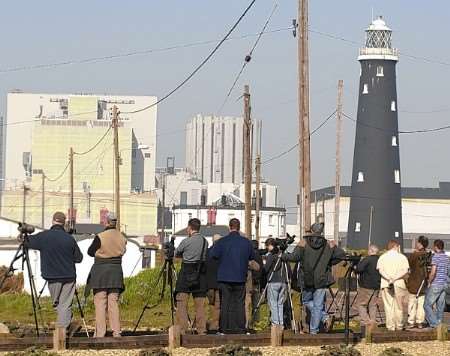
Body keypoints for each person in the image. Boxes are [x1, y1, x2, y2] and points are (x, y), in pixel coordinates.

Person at [26, 212, 83, 331]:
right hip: (69, 276)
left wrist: (22, 234)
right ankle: (67, 324)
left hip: (52, 277)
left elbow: (26, 241)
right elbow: (79, 258)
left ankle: (62, 332)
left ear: (52, 221)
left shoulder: (44, 236)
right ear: (64, 223)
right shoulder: (69, 239)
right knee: (65, 305)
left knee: (58, 304)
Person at [282, 227, 345, 335]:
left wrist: (282, 255)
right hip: (321, 279)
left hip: (307, 278)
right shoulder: (327, 244)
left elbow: (294, 257)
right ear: (321, 232)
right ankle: (314, 330)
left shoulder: (304, 243)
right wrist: (329, 262)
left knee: (306, 301)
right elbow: (341, 255)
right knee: (318, 305)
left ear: (311, 231)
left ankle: (324, 318)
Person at [211, 218, 260, 334]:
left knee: (225, 303)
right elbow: (252, 257)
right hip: (240, 277)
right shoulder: (246, 242)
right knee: (239, 303)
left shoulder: (222, 242)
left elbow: (213, 255)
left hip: (224, 277)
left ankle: (224, 328)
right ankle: (240, 328)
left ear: (229, 227)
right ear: (239, 227)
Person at [86, 212, 127, 337]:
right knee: (113, 303)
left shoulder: (100, 236)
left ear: (106, 221)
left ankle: (100, 333)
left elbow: (90, 252)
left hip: (100, 272)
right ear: (116, 222)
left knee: (100, 303)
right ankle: (116, 331)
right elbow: (123, 251)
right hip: (116, 272)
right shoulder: (122, 237)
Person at [174, 218, 208, 335]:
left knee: (182, 302)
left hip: (186, 273)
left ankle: (183, 329)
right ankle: (201, 329)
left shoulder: (186, 241)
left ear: (189, 228)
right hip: (200, 274)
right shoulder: (205, 241)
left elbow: (177, 252)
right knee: (200, 304)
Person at [376, 240, 409, 331]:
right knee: (399, 306)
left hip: (386, 283)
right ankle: (399, 325)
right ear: (396, 246)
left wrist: (389, 278)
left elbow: (380, 270)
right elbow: (405, 270)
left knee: (388, 305)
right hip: (399, 283)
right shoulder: (402, 257)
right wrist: (395, 278)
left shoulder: (382, 257)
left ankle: (390, 326)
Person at [264, 238, 290, 328]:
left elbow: (266, 268)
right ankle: (281, 323)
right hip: (283, 281)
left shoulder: (271, 256)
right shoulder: (282, 255)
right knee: (280, 303)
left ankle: (275, 323)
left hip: (273, 281)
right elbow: (288, 269)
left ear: (270, 245)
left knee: (273, 303)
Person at [424, 239, 449, 329]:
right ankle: (439, 321)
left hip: (436, 284)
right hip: (444, 284)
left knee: (427, 305)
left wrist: (429, 281)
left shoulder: (435, 257)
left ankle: (435, 324)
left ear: (435, 246)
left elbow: (433, 272)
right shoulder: (446, 257)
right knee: (440, 305)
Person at [355, 244, 381, 329]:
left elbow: (358, 269)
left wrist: (356, 264)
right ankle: (373, 321)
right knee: (372, 305)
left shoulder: (367, 259)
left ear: (371, 251)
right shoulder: (380, 260)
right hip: (377, 286)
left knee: (361, 304)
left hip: (366, 286)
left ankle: (367, 322)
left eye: (369, 250)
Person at [406, 235, 429, 329]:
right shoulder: (428, 254)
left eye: (417, 242)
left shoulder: (414, 255)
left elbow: (408, 265)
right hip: (423, 283)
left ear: (420, 244)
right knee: (421, 304)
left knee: (412, 302)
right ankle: (420, 322)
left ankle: (411, 321)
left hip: (414, 283)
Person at [245, 240, 264, 330]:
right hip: (256, 283)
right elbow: (261, 270)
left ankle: (247, 323)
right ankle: (256, 322)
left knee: (247, 304)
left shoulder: (249, 256)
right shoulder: (259, 256)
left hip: (248, 282)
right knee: (256, 304)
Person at [206, 234, 222, 332]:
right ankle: (215, 325)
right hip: (219, 282)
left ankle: (208, 324)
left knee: (210, 305)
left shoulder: (207, 252)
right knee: (218, 306)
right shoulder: (222, 253)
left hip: (209, 283)